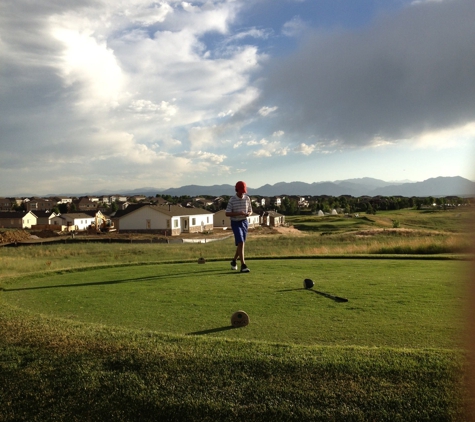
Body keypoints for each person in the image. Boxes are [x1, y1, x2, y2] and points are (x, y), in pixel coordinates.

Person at [226, 181, 253, 273]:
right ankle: (243, 265)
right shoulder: (232, 199)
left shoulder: (247, 198)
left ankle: (234, 261)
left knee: (241, 244)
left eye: (243, 191)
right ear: (237, 190)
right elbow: (227, 213)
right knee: (241, 242)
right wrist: (239, 213)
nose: (242, 193)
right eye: (241, 191)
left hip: (244, 222)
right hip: (235, 223)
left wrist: (248, 214)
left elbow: (250, 210)